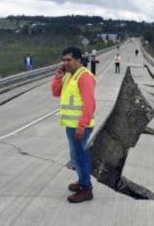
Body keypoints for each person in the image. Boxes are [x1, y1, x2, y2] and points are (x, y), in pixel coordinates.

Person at [52, 47, 96, 203]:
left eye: (69, 60)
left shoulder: (84, 77)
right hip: (71, 125)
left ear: (78, 60)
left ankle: (86, 189)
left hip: (80, 126)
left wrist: (81, 126)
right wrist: (58, 77)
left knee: (80, 157)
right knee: (75, 157)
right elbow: (56, 93)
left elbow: (89, 105)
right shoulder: (69, 76)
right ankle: (82, 182)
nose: (65, 63)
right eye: (63, 60)